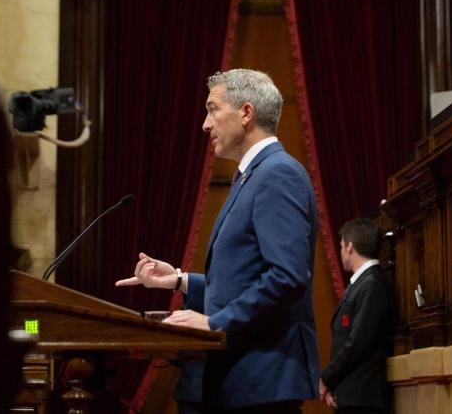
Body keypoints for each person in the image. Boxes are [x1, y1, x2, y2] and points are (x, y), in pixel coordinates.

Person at [116, 69, 320, 413]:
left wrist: (214, 323)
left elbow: (288, 276)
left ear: (246, 112)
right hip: (245, 377)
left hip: (263, 379)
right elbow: (246, 278)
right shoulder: (252, 176)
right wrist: (180, 280)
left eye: (213, 110)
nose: (205, 125)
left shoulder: (277, 173)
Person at [319, 218, 394, 414]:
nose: (341, 251)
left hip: (363, 400)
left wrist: (327, 378)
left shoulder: (372, 284)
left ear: (350, 246)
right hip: (351, 397)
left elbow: (357, 343)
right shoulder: (362, 284)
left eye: (341, 246)